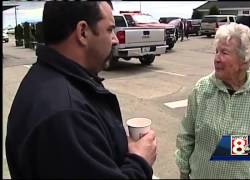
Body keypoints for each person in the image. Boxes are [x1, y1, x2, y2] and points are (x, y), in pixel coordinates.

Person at [5, 1, 157, 179]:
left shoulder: (48, 79)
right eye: (109, 30)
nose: (115, 39)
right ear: (83, 32)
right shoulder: (66, 114)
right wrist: (140, 161)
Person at [175, 22, 250, 179]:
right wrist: (184, 171)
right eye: (216, 51)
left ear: (243, 60)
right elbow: (186, 135)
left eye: (224, 53)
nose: (217, 58)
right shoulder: (202, 89)